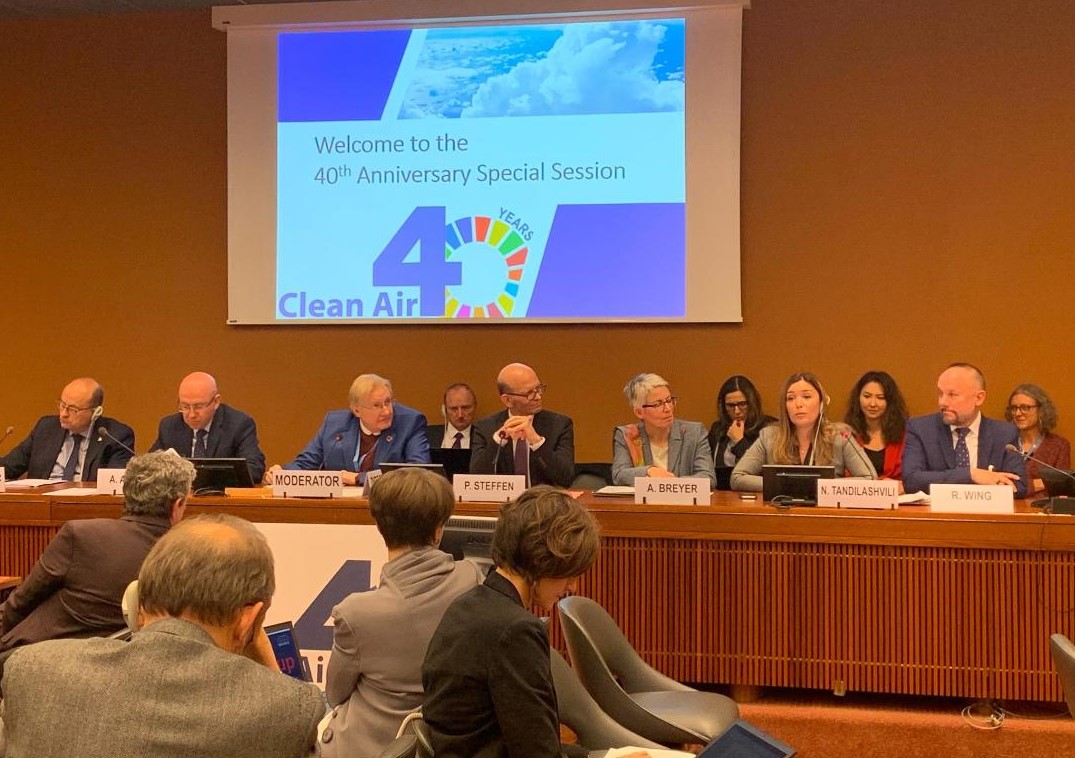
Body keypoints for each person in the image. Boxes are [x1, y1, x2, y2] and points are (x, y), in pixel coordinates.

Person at [0, 514, 325, 758]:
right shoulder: (289, 708)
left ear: (134, 602)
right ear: (248, 619)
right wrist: (261, 653)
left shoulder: (32, 670)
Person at [422, 487, 648, 758]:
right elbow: (537, 753)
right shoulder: (514, 631)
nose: (572, 586)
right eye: (569, 573)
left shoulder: (468, 605)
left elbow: (525, 740)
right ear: (543, 561)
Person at [321, 468, 483, 758]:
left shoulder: (356, 612)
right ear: (438, 530)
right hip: (452, 744)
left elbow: (335, 694)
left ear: (379, 525)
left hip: (369, 748)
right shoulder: (473, 578)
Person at [0, 451, 192, 669]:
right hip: (118, 670)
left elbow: (19, 604)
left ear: (126, 492)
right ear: (178, 505)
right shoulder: (186, 558)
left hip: (35, 661)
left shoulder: (82, 535)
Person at [267, 373, 430, 485]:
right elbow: (306, 463)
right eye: (377, 405)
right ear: (357, 410)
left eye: (388, 402)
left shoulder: (410, 422)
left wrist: (359, 478)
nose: (387, 411)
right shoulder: (335, 424)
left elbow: (418, 471)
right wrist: (283, 473)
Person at [731, 372, 876, 492]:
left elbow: (870, 478)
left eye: (806, 397)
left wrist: (824, 487)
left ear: (821, 403)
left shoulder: (840, 436)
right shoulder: (769, 436)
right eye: (790, 398)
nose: (798, 404)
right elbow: (737, 477)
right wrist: (785, 486)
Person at [902, 363, 1027, 496]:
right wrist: (970, 475)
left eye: (952, 395)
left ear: (978, 398)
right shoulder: (921, 429)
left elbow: (1018, 485)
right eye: (941, 394)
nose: (942, 402)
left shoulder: (1004, 433)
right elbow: (911, 481)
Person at [0, 377, 134, 482]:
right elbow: (9, 467)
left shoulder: (116, 436)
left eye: (73, 409)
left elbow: (114, 484)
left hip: (86, 506)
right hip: (42, 503)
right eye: (62, 405)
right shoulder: (46, 428)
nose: (63, 414)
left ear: (95, 412)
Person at [150, 371, 266, 483]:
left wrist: (205, 478)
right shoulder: (169, 426)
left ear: (216, 402)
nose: (191, 414)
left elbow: (254, 469)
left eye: (198, 406)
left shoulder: (238, 424)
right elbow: (148, 468)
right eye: (185, 406)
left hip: (221, 495)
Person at [470, 363, 574, 487]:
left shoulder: (560, 425)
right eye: (529, 393)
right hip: (504, 499)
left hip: (543, 498)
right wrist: (499, 440)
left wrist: (537, 442)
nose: (538, 397)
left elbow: (566, 479)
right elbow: (475, 478)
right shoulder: (485, 428)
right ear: (508, 400)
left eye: (538, 389)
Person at [611, 372, 715, 487]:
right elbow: (619, 475)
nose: (668, 409)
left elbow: (708, 478)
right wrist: (649, 471)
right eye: (657, 404)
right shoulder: (628, 436)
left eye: (669, 400)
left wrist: (669, 484)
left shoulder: (694, 433)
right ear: (639, 412)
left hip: (682, 498)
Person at [706, 375, 776, 487]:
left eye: (742, 404)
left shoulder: (768, 428)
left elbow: (767, 473)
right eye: (730, 405)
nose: (737, 411)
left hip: (755, 491)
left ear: (752, 403)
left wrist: (739, 442)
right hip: (722, 492)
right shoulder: (717, 429)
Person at [1004, 383, 1070, 496]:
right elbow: (997, 485)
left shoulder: (1059, 446)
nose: (1018, 413)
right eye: (1014, 408)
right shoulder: (1004, 443)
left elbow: (1061, 485)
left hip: (1041, 506)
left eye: (1025, 408)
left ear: (1041, 410)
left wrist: (1020, 486)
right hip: (1005, 505)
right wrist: (1041, 484)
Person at [843, 371, 909, 484]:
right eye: (867, 396)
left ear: (890, 401)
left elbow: (912, 477)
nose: (873, 404)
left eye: (880, 398)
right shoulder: (845, 435)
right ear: (858, 398)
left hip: (896, 494)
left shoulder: (906, 436)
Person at [426, 383, 478, 449]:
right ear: (445, 410)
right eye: (454, 409)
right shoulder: (428, 435)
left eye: (465, 408)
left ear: (474, 407)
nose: (460, 415)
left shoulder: (483, 436)